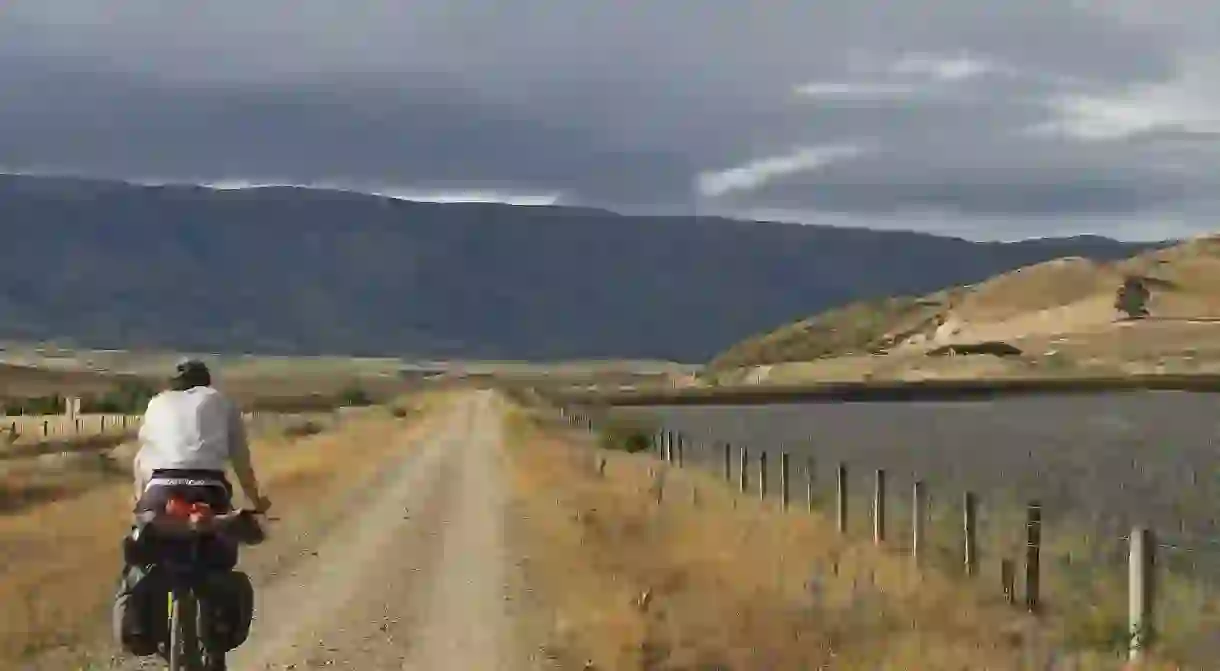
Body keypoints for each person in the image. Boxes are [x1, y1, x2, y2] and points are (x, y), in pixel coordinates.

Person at [115, 358, 269, 661]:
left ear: (172, 385)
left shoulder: (156, 404)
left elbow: (142, 460)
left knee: (145, 556)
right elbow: (240, 460)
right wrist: (256, 499)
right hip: (208, 490)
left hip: (160, 490)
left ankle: (145, 626)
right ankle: (218, 622)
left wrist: (139, 503)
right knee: (219, 552)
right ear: (206, 382)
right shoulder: (221, 402)